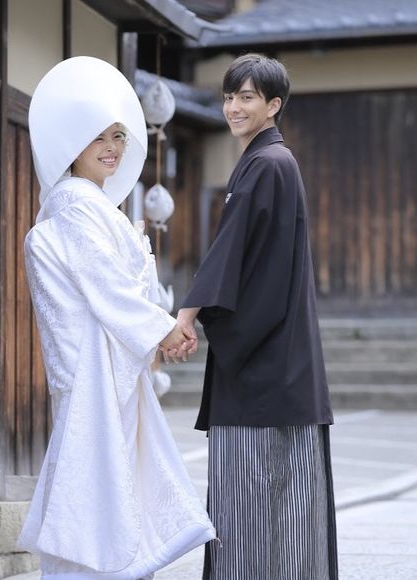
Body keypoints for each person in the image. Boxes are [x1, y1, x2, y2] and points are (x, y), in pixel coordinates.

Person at [17, 56, 216, 580]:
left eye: (119, 137)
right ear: (73, 143)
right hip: (93, 364)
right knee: (99, 470)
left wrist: (157, 326)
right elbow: (106, 284)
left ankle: (111, 567)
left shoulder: (92, 206)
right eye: (98, 137)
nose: (112, 147)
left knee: (105, 472)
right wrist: (163, 328)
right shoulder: (75, 206)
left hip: (105, 361)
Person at [175, 54, 339, 579]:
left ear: (273, 105)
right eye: (228, 97)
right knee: (289, 510)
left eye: (246, 97)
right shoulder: (270, 161)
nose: (233, 107)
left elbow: (231, 250)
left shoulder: (266, 163)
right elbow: (241, 253)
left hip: (262, 369)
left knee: (249, 504)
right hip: (284, 363)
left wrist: (186, 315)